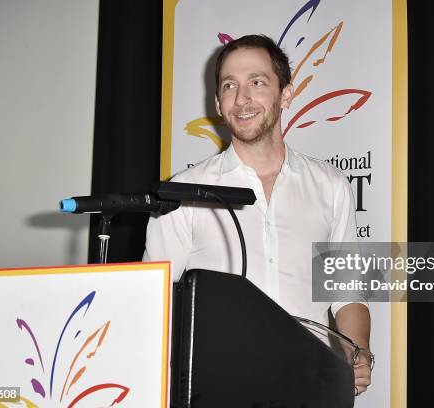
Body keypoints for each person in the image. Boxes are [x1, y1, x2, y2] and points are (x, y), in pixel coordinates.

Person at [143, 34, 371, 395]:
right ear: (218, 102)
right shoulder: (183, 191)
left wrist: (356, 351)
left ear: (286, 94)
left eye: (257, 82)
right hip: (215, 389)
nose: (242, 97)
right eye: (229, 85)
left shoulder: (330, 186)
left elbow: (347, 293)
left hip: (310, 384)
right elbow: (152, 300)